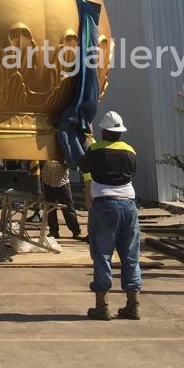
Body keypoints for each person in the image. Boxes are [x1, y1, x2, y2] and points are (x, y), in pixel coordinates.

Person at [78, 110, 141, 320]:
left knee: (102, 254)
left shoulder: (95, 149)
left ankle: (102, 305)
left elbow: (82, 166)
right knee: (130, 256)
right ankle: (133, 305)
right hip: (129, 206)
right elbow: (132, 172)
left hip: (104, 206)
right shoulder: (130, 151)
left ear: (104, 131)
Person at [41, 158, 82, 239]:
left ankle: (76, 231)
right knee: (50, 208)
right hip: (47, 179)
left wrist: (62, 162)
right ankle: (53, 231)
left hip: (61, 181)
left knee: (68, 208)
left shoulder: (64, 150)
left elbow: (71, 163)